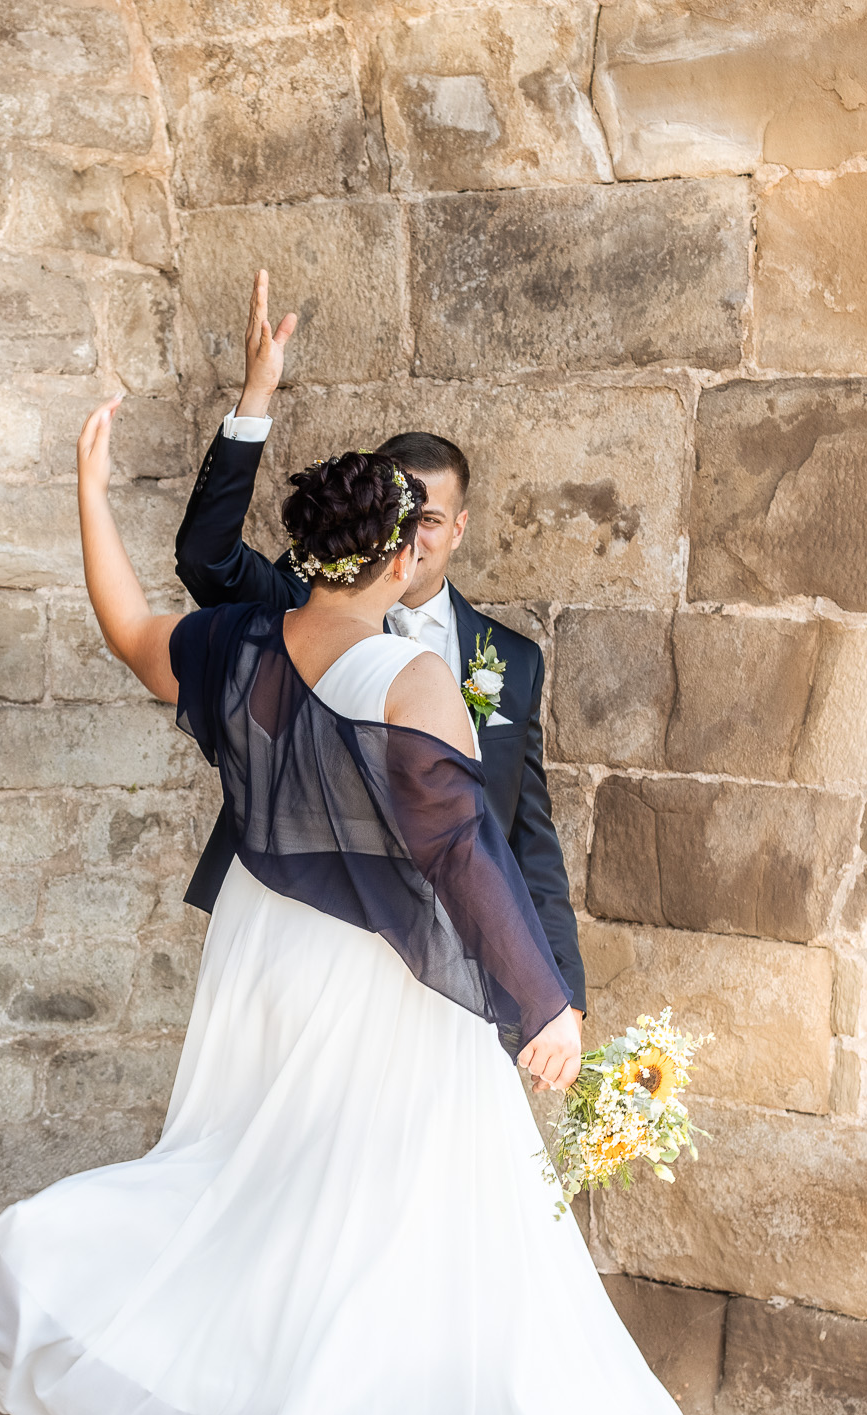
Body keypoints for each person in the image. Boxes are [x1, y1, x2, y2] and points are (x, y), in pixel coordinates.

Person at [0, 393, 703, 1415]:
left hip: (263, 950)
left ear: (314, 550)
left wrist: (85, 489)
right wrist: (538, 1002)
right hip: (380, 977)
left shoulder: (237, 643)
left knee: (271, 1190)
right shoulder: (415, 678)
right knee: (368, 1222)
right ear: (393, 553)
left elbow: (126, 621)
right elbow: (460, 858)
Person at [173, 272, 584, 1026]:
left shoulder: (512, 659)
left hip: (445, 958)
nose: (415, 538)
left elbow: (523, 832)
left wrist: (560, 987)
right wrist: (255, 397)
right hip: (311, 941)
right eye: (404, 514)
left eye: (433, 519)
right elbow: (204, 556)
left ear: (458, 528)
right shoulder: (300, 605)